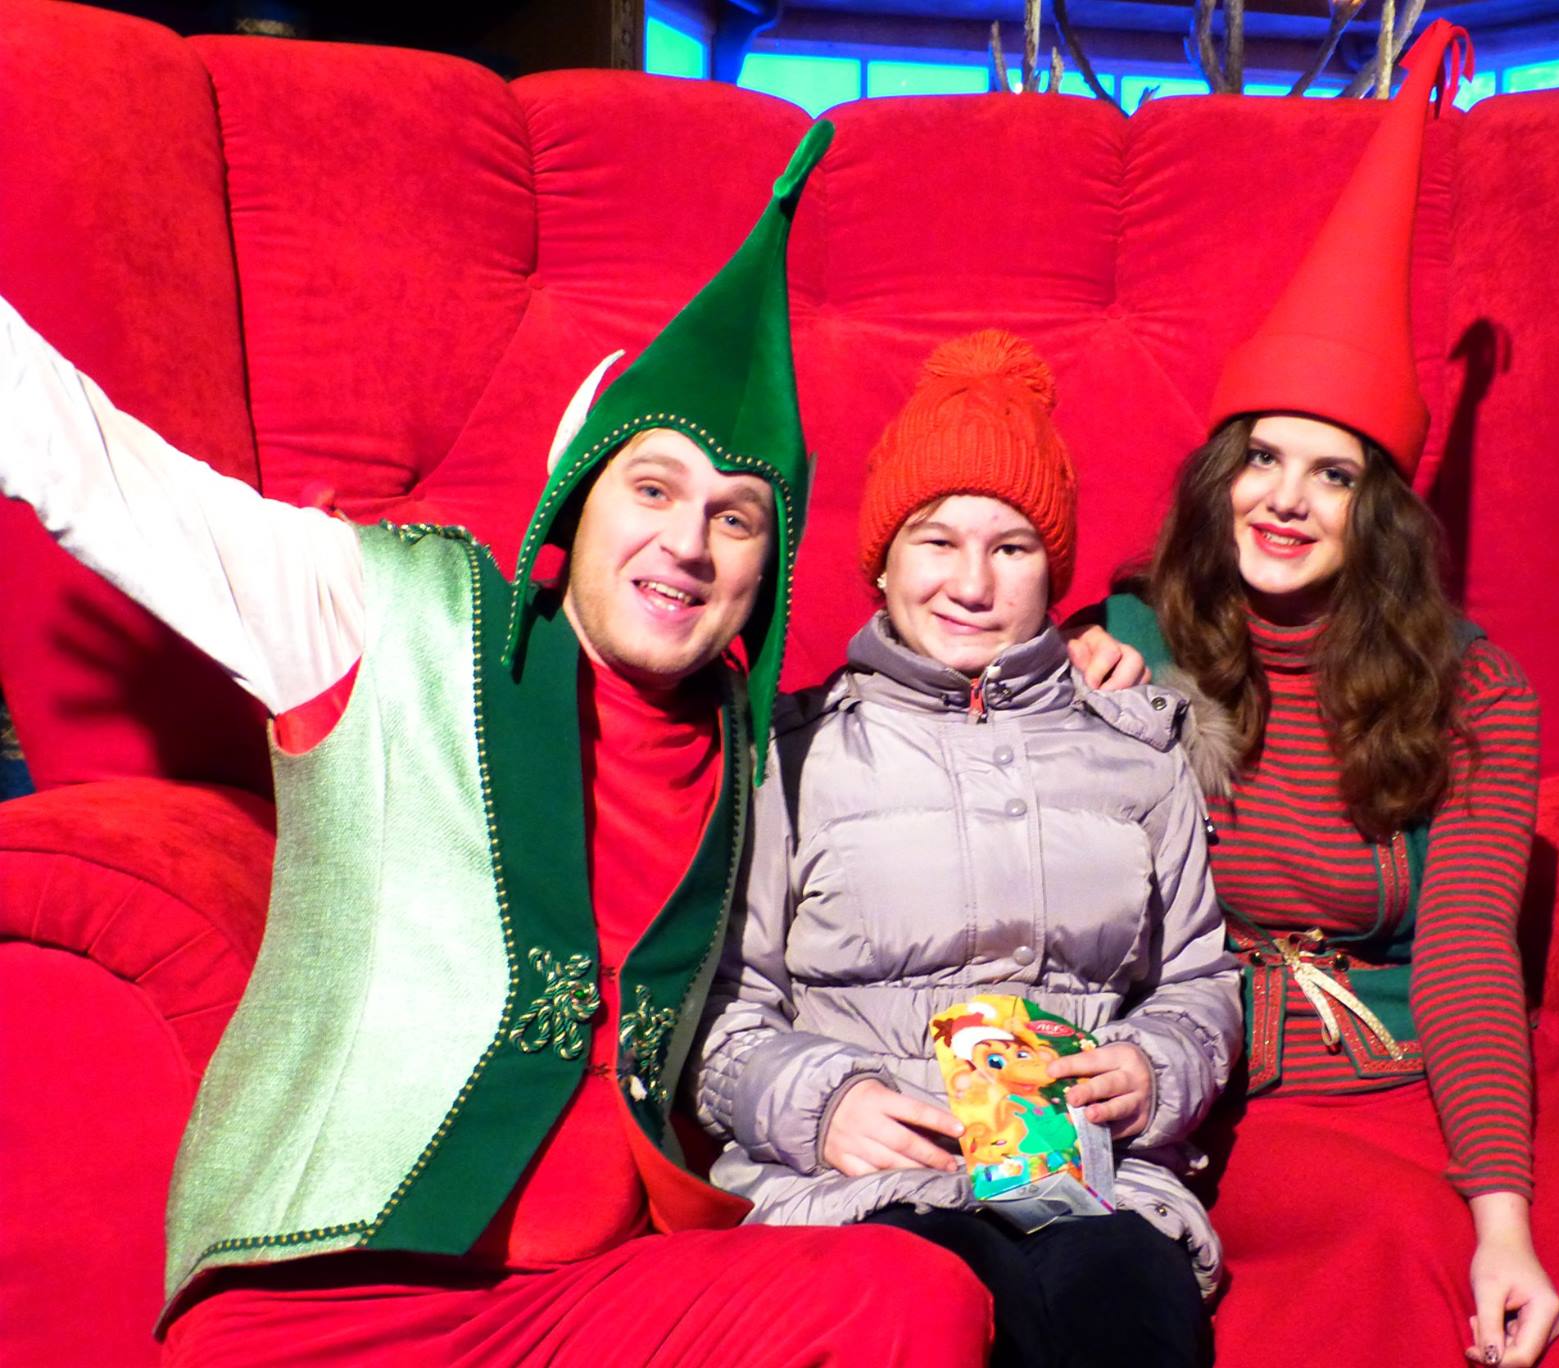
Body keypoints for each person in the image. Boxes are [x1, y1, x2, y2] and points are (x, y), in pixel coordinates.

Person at [0, 125, 993, 1366]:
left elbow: (946, 768)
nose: (687, 544)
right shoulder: (388, 614)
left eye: (734, 518)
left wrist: (1087, 656)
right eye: (651, 490)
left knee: (912, 1297)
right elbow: (98, 470)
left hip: (594, 1298)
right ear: (576, 502)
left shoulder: (753, 746)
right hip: (331, 1300)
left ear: (766, 570)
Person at [1087, 21, 1559, 1368]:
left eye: (1332, 474)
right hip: (1230, 1081)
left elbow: (1462, 952)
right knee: (1397, 1249)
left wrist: (1503, 1216)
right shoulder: (1125, 640)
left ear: (1379, 512)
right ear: (1218, 476)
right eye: (1261, 459)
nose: (1285, 499)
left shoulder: (1473, 691)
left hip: (1429, 1062)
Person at [691, 330, 1241, 1368]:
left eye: (1012, 548)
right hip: (861, 1190)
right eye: (936, 541)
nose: (973, 584)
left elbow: (1198, 979)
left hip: (1092, 1183)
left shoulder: (1138, 750)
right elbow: (716, 1005)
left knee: (1129, 1315)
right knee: (940, 1311)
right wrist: (820, 1106)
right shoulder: (788, 757)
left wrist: (1154, 1069)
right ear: (883, 561)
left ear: (1053, 570)